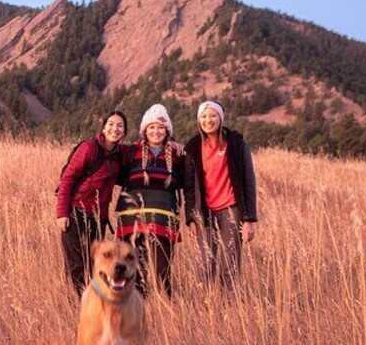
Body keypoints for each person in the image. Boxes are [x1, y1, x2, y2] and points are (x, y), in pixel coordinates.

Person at [183, 100, 257, 290]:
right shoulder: (192, 147)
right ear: (199, 120)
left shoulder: (236, 143)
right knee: (206, 264)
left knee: (229, 264)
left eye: (213, 115)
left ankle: (229, 309)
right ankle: (207, 307)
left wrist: (249, 219)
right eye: (204, 116)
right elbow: (189, 186)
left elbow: (248, 180)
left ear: (220, 118)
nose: (209, 120)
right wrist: (191, 217)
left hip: (231, 210)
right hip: (204, 213)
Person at [56, 110, 127, 297]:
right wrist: (62, 213)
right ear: (103, 128)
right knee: (77, 265)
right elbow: (67, 179)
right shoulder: (89, 148)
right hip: (76, 213)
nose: (115, 128)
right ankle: (78, 306)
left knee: (92, 264)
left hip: (98, 219)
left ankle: (86, 302)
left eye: (120, 126)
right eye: (111, 124)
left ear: (124, 132)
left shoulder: (119, 155)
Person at [116, 104, 184, 298]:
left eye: (161, 127)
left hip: (163, 220)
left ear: (167, 131)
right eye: (152, 127)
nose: (156, 131)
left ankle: (169, 312)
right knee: (136, 271)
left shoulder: (178, 155)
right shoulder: (130, 152)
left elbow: (188, 184)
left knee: (163, 272)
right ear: (145, 130)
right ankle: (139, 310)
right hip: (132, 221)